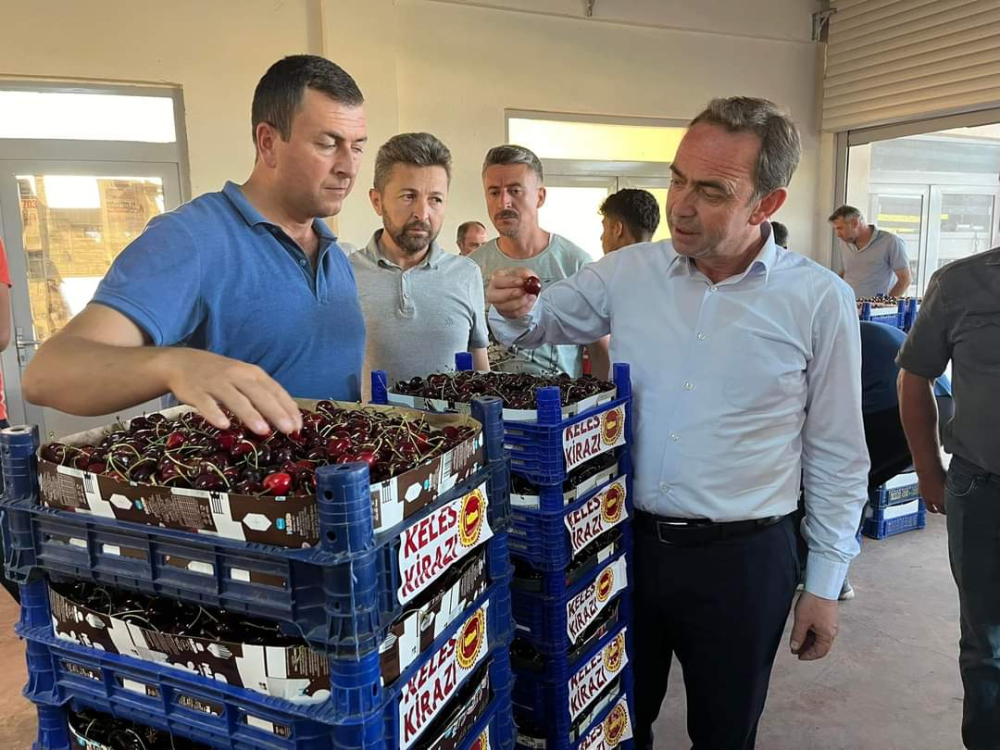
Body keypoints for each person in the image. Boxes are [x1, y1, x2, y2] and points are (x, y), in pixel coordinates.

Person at [487, 97, 869, 749]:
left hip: (745, 561)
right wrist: (513, 305)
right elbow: (540, 321)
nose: (681, 206)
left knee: (725, 732)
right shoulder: (628, 273)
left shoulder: (817, 300)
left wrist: (825, 583)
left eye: (712, 190)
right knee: (611, 720)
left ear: (767, 204)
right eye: (677, 179)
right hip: (623, 545)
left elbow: (836, 451)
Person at [22, 55, 370, 436]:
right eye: (327, 144)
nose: (348, 167)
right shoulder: (190, 240)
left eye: (357, 148)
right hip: (237, 474)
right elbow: (48, 373)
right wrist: (175, 365)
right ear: (268, 142)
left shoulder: (335, 255)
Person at [897, 248, 1000, 750]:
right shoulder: (960, 283)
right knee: (987, 644)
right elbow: (914, 375)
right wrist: (926, 468)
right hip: (984, 491)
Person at [351, 132, 489, 384]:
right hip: (370, 412)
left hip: (453, 412)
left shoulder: (466, 274)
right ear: (377, 201)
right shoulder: (346, 274)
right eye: (408, 196)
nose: (422, 213)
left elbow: (480, 369)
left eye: (435, 199)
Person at [473, 144, 609, 379]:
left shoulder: (576, 264)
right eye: (494, 192)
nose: (503, 203)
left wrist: (603, 399)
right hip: (489, 400)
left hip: (561, 399)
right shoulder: (471, 268)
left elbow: (600, 351)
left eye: (515, 191)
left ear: (540, 196)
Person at [829, 205, 911, 298]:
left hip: (876, 306)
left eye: (840, 228)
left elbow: (905, 280)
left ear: (855, 223)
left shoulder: (891, 242)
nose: (838, 234)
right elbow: (847, 271)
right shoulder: (845, 242)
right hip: (848, 302)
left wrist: (887, 303)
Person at [599, 188, 660, 254]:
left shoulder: (609, 260)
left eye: (604, 229)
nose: (601, 238)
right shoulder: (664, 258)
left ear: (617, 229)